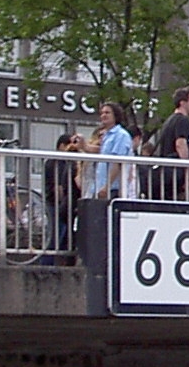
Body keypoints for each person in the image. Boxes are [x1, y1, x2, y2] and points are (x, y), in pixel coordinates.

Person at [148, 87, 189, 201]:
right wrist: (188, 172)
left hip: (165, 173)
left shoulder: (169, 121)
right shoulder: (183, 121)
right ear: (183, 103)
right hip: (176, 174)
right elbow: (180, 144)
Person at [43, 131, 84, 266]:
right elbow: (58, 187)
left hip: (62, 203)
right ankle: (47, 263)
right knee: (56, 235)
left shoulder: (64, 162)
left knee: (63, 236)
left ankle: (55, 262)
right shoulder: (56, 162)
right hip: (56, 203)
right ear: (62, 145)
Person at [86, 101, 139, 202]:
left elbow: (117, 163)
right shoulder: (107, 135)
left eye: (107, 112)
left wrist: (107, 186)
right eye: (102, 113)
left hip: (113, 188)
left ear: (115, 115)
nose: (103, 115)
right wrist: (84, 146)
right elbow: (102, 151)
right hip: (101, 186)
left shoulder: (121, 135)